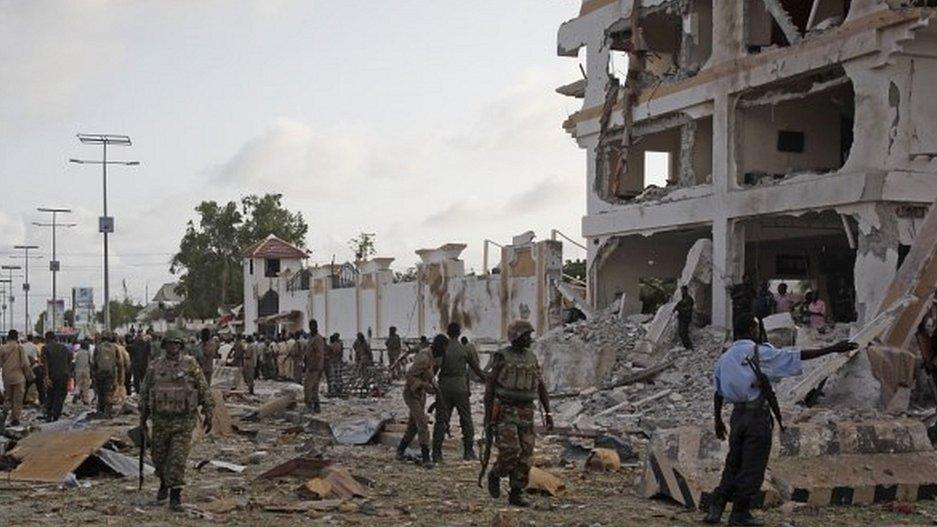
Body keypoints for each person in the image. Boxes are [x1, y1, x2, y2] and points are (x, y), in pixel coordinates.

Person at [704, 313, 857, 525]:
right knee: (753, 466)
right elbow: (795, 355)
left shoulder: (724, 358)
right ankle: (740, 513)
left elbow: (718, 392)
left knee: (733, 462)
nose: (758, 332)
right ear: (750, 329)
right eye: (756, 328)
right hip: (756, 417)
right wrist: (831, 349)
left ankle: (716, 508)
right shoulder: (758, 352)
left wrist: (718, 421)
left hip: (737, 416)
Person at [140, 329, 213, 511]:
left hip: (183, 421)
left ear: (181, 346)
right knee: (159, 458)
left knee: (177, 459)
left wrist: (208, 411)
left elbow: (203, 388)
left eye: (176, 344)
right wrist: (142, 416)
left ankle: (175, 496)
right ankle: (164, 482)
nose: (173, 347)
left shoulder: (190, 365)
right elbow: (145, 391)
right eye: (170, 344)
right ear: (165, 346)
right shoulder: (155, 366)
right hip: (161, 421)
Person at [483, 320, 553, 507]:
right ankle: (496, 473)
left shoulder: (531, 357)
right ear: (516, 337)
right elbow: (490, 387)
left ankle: (517, 492)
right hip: (506, 411)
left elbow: (540, 386)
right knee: (510, 451)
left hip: (527, 412)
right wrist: (488, 415)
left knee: (526, 455)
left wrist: (548, 413)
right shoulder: (502, 356)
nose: (529, 339)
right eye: (526, 336)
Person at [432, 322, 486, 463]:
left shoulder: (443, 348)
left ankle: (437, 453)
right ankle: (468, 451)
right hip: (461, 388)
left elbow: (435, 369)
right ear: (459, 333)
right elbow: (477, 369)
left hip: (444, 387)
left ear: (447, 332)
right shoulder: (465, 350)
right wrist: (489, 380)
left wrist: (430, 385)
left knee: (441, 420)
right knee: (466, 419)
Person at [397, 333, 442, 468]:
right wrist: (424, 386)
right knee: (422, 423)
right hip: (411, 394)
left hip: (420, 395)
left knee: (412, 427)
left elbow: (426, 377)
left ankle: (400, 451)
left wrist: (432, 388)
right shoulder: (424, 357)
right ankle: (426, 457)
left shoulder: (432, 358)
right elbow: (410, 376)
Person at [0, 330, 34, 426]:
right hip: (19, 377)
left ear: (8, 337)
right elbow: (25, 364)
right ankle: (15, 419)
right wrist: (30, 376)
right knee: (18, 399)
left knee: (8, 398)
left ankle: (4, 414)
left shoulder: (2, 348)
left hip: (7, 377)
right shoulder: (19, 348)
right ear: (17, 337)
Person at [42, 332, 71, 422]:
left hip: (52, 375)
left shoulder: (46, 348)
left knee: (50, 395)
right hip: (63, 375)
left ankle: (48, 414)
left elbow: (45, 363)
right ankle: (56, 415)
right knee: (60, 395)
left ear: (47, 339)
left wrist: (47, 376)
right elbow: (69, 359)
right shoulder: (64, 348)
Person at [92, 332, 119, 418]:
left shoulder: (98, 347)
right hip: (111, 373)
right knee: (109, 391)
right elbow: (117, 361)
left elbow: (94, 362)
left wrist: (94, 375)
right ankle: (109, 411)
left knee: (100, 392)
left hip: (100, 373)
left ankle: (101, 410)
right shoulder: (114, 347)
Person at [303, 320, 326, 413]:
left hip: (315, 367)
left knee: (311, 387)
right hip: (310, 366)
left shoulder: (318, 339)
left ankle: (312, 405)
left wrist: (318, 367)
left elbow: (319, 354)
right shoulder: (311, 338)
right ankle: (314, 406)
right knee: (310, 387)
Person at [73, 340, 94, 404]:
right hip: (86, 370)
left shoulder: (77, 353)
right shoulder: (88, 353)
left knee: (78, 384)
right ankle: (85, 400)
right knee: (86, 385)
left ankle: (76, 394)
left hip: (78, 370)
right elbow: (90, 362)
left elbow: (74, 362)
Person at [675, 285, 695, 350]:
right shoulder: (682, 299)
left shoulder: (689, 299)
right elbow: (678, 305)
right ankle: (686, 346)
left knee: (683, 332)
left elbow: (688, 308)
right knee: (680, 332)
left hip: (686, 318)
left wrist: (680, 309)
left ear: (686, 290)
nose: (682, 292)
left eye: (683, 290)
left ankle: (689, 346)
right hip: (681, 318)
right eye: (681, 290)